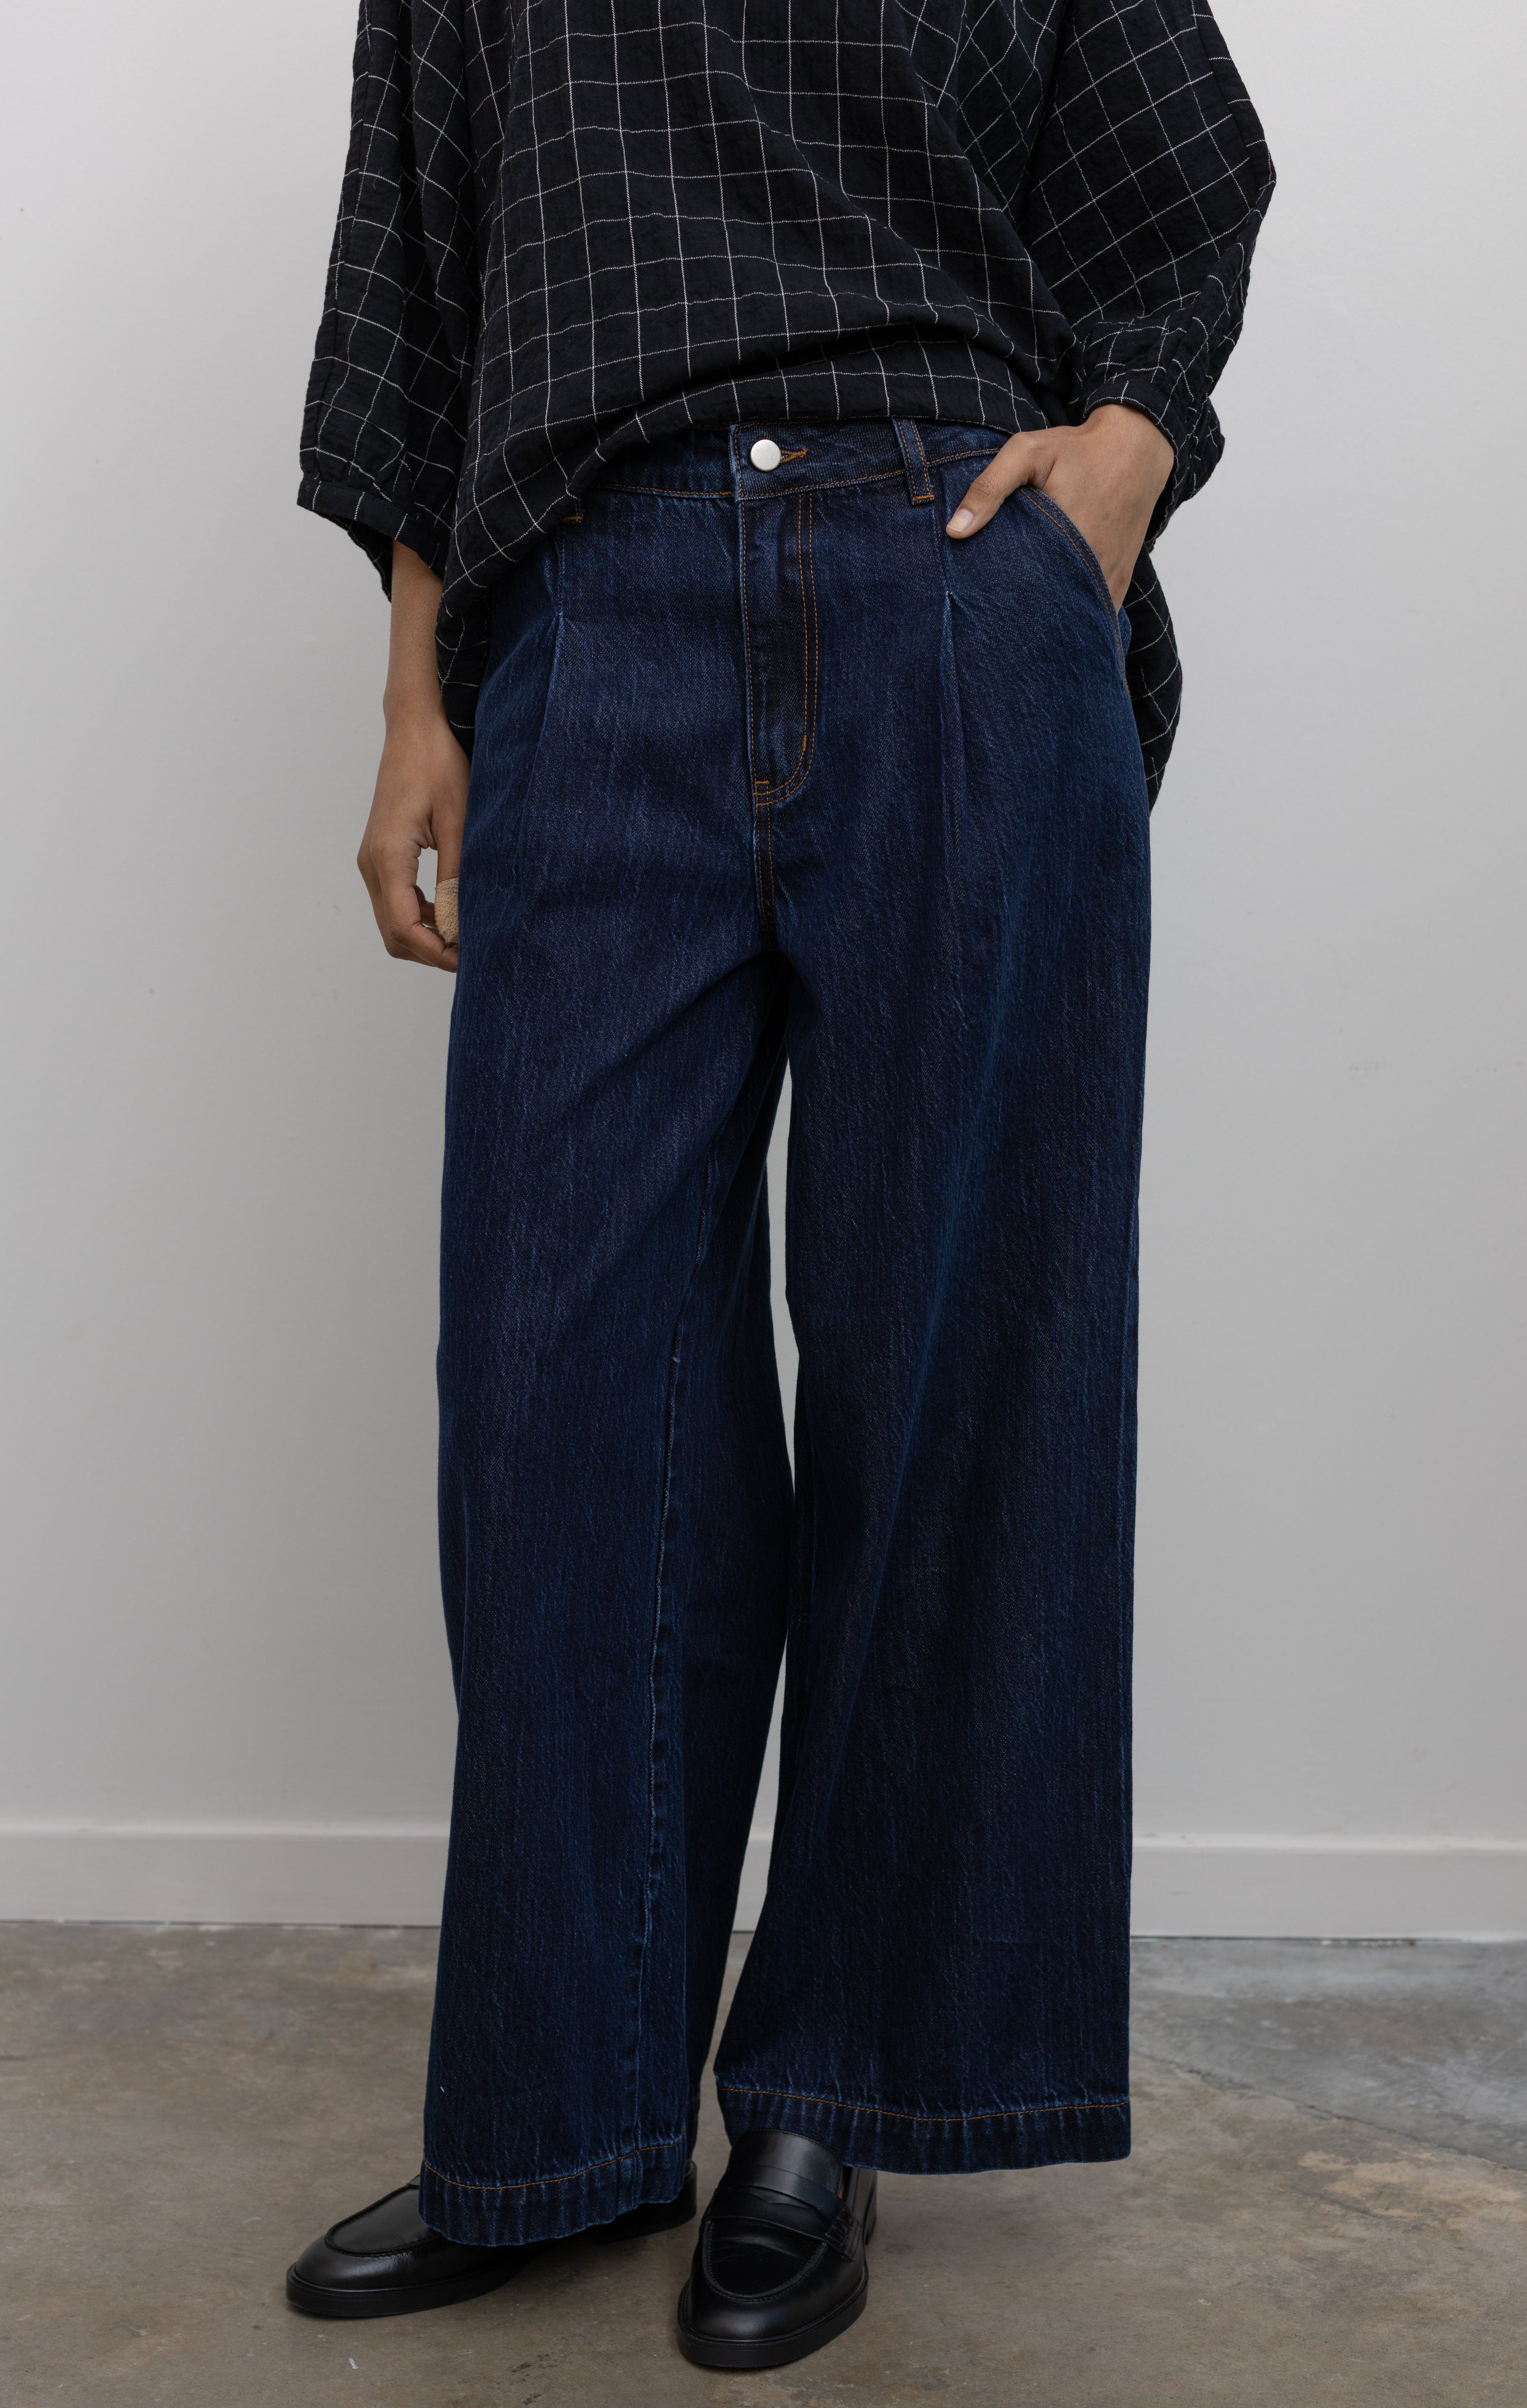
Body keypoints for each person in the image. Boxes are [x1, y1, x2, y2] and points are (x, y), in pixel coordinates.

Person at [283, 0, 1272, 2369]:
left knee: (952, 1371)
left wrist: (1118, 467)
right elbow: (418, 286)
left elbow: (1182, 180)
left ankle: (830, 2096)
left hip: (952, 589)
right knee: (561, 1387)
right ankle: (557, 2117)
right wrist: (423, 694)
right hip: (589, 613)